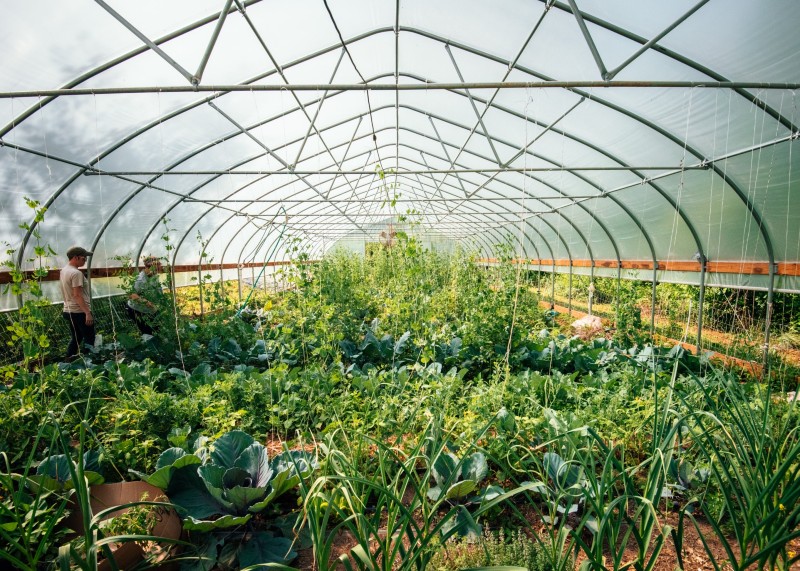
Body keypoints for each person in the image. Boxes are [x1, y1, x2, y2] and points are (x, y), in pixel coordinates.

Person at [60, 246, 96, 360]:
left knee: (76, 337)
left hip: (69, 310)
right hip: (79, 311)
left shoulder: (64, 270)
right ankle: (89, 362)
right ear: (76, 257)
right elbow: (77, 295)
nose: (85, 260)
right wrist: (87, 313)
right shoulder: (76, 273)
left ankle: (68, 361)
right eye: (84, 258)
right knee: (89, 338)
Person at [126, 256, 164, 335]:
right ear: (151, 266)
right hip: (137, 310)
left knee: (158, 329)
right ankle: (149, 344)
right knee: (148, 332)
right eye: (158, 266)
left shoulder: (153, 275)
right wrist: (147, 302)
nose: (159, 268)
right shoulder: (140, 279)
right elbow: (132, 295)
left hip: (151, 309)